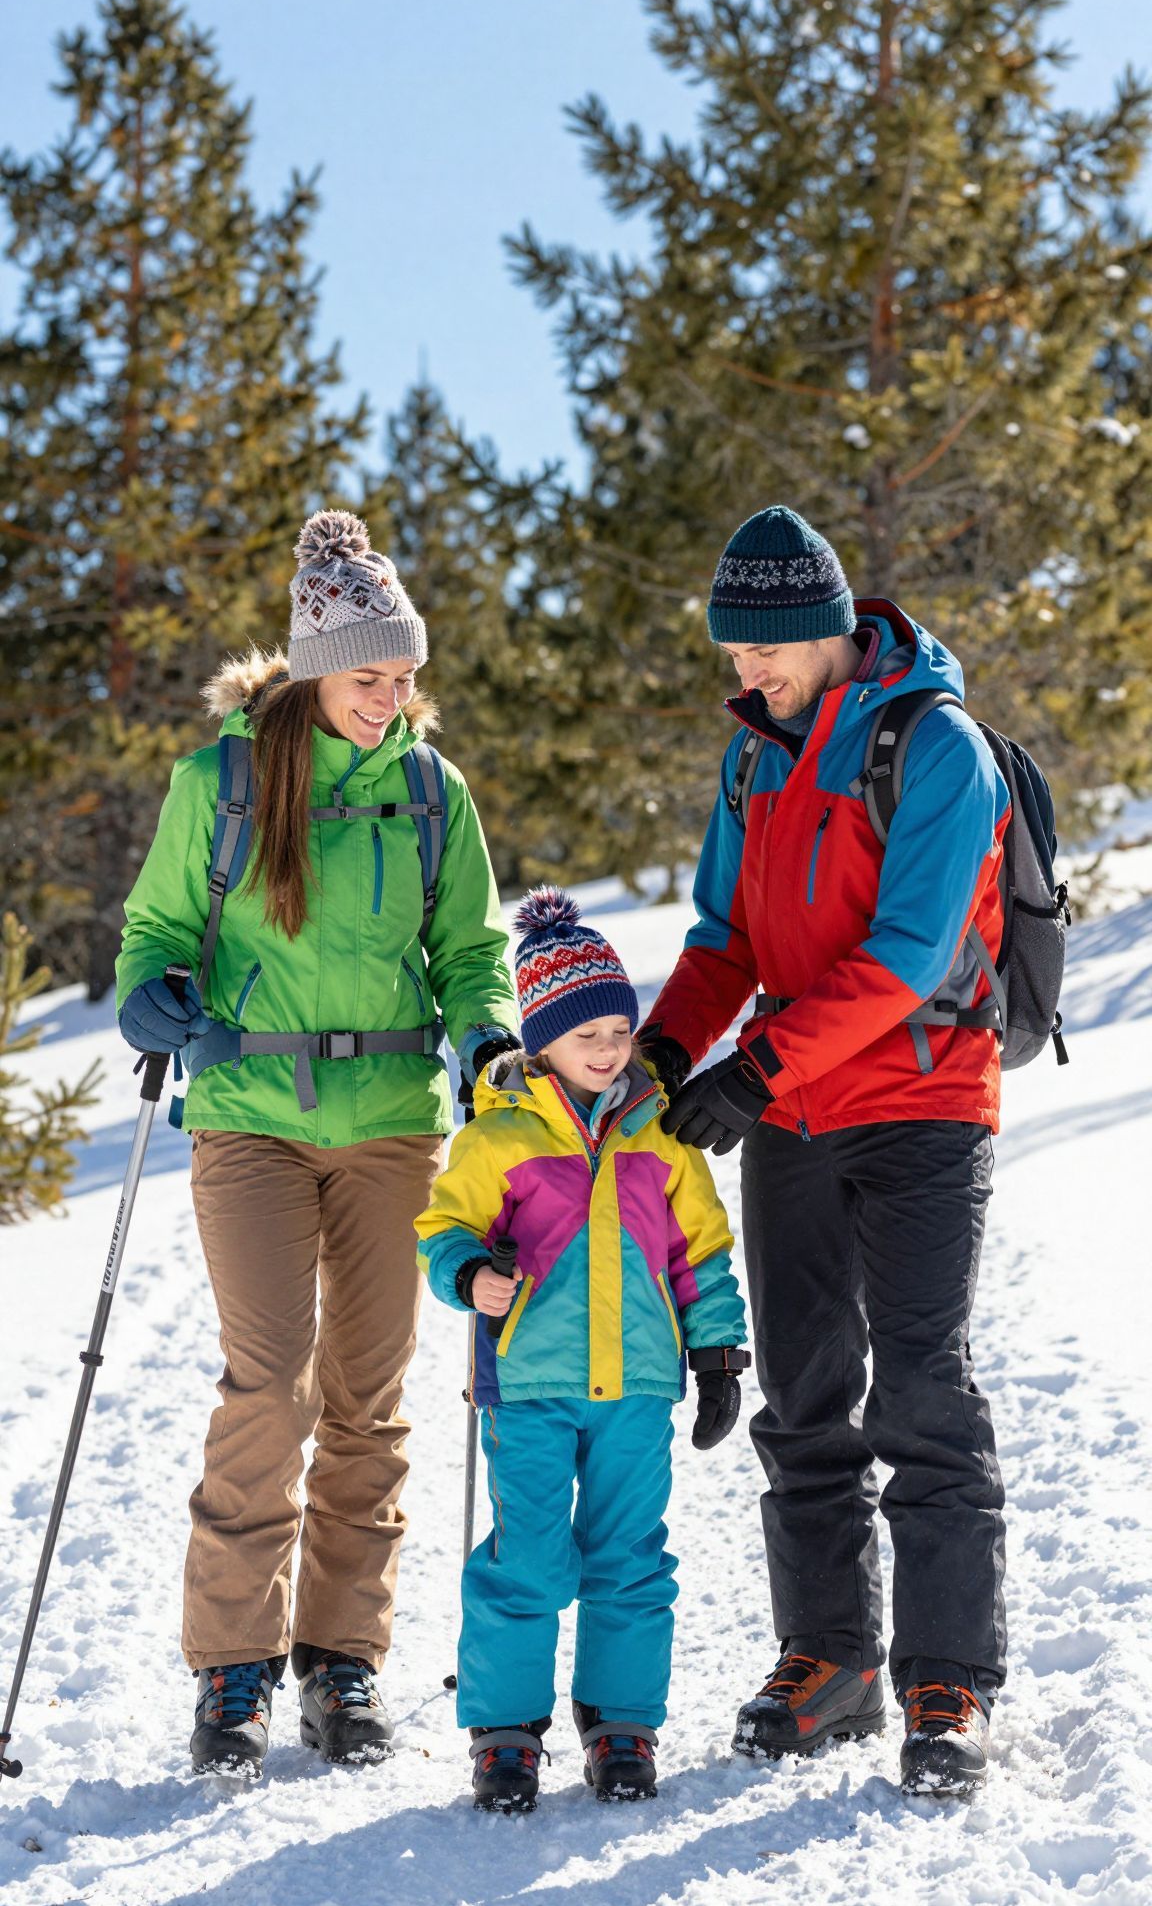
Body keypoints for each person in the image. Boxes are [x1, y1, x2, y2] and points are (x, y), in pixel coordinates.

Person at [116, 510, 520, 1776]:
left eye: (405, 677)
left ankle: (342, 1660)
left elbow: (469, 948)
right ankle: (232, 1667)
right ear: (309, 669)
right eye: (368, 677)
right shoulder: (220, 783)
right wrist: (152, 994)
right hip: (249, 1123)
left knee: (368, 1397)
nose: (392, 698)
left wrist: (490, 1033)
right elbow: (154, 930)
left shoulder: (428, 791)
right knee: (267, 1386)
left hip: (392, 1123)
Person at [640, 505, 1010, 1796]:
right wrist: (664, 1055)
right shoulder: (756, 762)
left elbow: (908, 957)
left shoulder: (937, 748)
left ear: (824, 629)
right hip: (792, 1121)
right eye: (733, 655)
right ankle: (831, 1658)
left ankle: (946, 1679)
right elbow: (724, 940)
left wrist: (759, 1063)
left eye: (760, 653)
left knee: (922, 1391)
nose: (742, 677)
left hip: (921, 1107)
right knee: (803, 1394)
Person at [414, 888, 748, 1812]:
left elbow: (703, 1256)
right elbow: (443, 1230)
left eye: (618, 1029)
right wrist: (469, 1272)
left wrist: (718, 1356)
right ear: (541, 1040)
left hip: (638, 1387)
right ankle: (507, 1734)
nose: (606, 1049)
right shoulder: (498, 1138)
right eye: (584, 1033)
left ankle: (623, 1725)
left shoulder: (666, 1140)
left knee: (629, 1556)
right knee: (528, 1556)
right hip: (527, 1387)